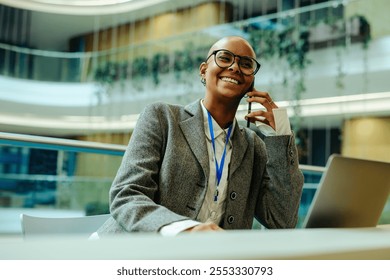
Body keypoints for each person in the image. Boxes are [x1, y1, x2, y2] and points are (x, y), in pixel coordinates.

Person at [96, 36, 304, 237]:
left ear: (251, 82)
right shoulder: (162, 118)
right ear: (204, 70)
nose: (234, 67)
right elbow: (127, 195)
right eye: (224, 57)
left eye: (246, 64)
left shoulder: (253, 146)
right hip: (131, 253)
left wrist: (281, 136)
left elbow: (282, 221)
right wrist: (184, 229)